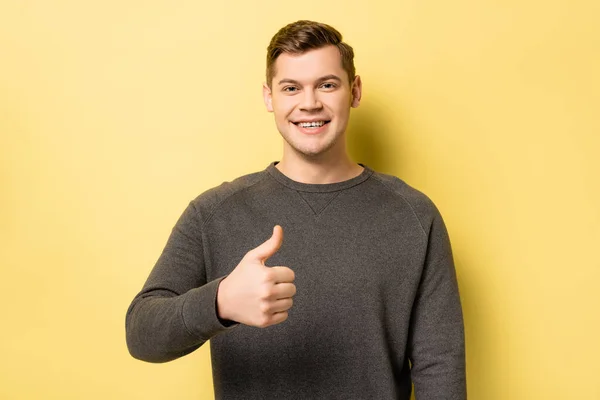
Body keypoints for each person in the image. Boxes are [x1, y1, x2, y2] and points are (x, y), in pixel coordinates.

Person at [126, 20, 466, 399]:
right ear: (269, 97)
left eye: (327, 84)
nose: (309, 103)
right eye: (291, 88)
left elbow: (441, 364)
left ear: (353, 91)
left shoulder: (414, 216)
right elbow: (142, 334)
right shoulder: (214, 214)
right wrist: (220, 302)